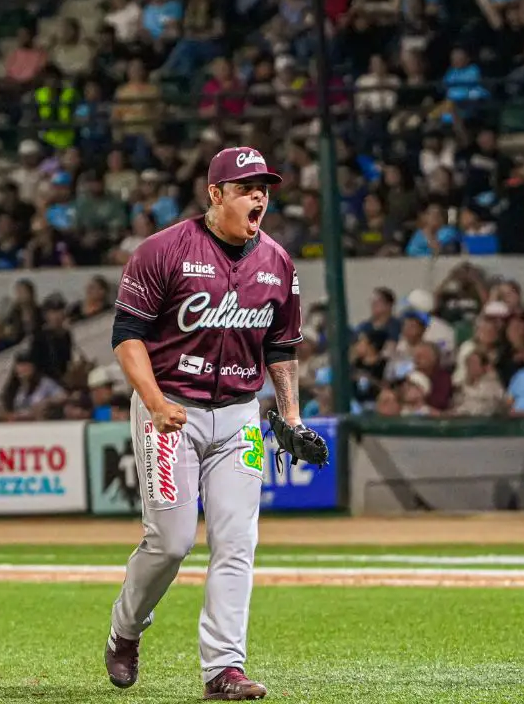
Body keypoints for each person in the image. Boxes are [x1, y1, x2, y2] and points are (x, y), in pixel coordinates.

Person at [106, 146, 326, 700]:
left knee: (237, 540)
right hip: (170, 411)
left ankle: (224, 668)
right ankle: (125, 630)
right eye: (247, 187)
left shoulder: (277, 261)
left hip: (238, 418)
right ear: (215, 194)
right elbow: (127, 336)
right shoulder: (163, 251)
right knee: (172, 542)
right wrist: (154, 402)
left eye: (265, 188)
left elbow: (281, 345)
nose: (260, 196)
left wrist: (291, 414)